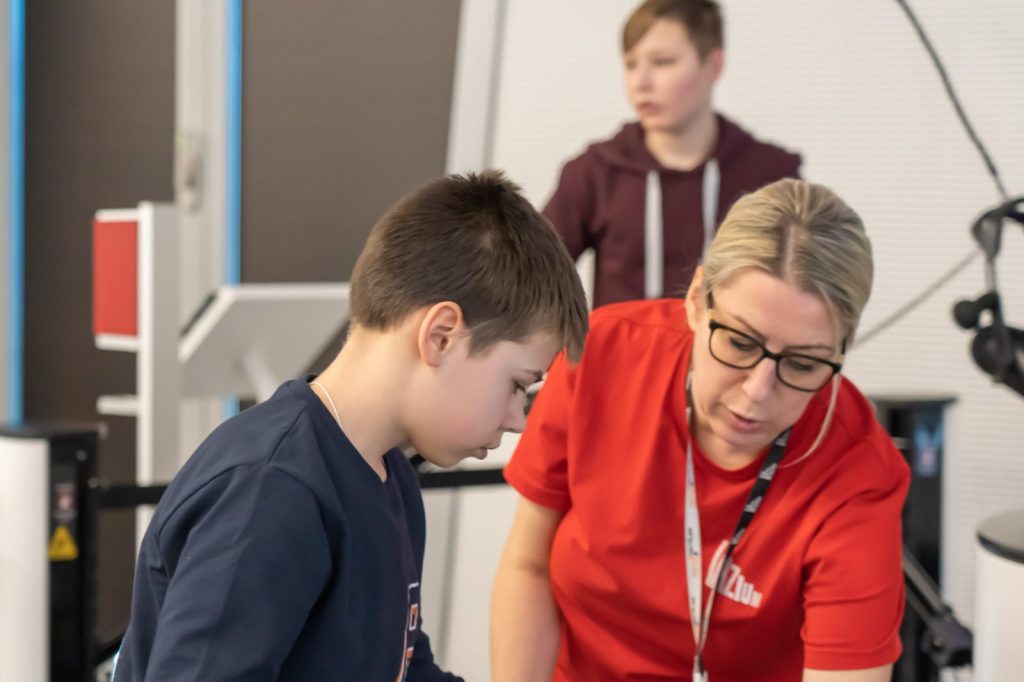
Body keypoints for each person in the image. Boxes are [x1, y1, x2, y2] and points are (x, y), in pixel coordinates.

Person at [113, 170, 589, 681]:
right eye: (517, 384)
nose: (518, 419)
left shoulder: (391, 476)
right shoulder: (270, 491)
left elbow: (405, 667)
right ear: (441, 336)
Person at [492, 178, 910, 681]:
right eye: (739, 342)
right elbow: (529, 566)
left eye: (802, 364)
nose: (757, 391)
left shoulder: (858, 475)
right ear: (696, 299)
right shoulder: (603, 354)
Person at [544, 0, 801, 308]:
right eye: (630, 64)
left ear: (713, 66)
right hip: (620, 341)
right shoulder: (594, 172)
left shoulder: (770, 176)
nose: (641, 83)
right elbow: (527, 281)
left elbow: (805, 290)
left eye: (663, 62)